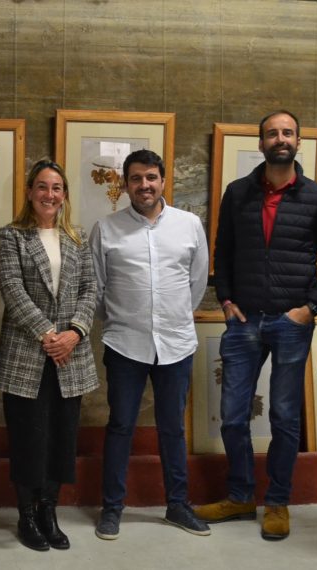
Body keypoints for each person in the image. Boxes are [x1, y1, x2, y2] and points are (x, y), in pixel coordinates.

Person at [198, 110, 317, 540]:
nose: (280, 138)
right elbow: (222, 252)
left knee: (283, 416)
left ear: (299, 142)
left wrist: (310, 308)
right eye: (272, 133)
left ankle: (277, 501)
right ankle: (241, 497)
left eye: (288, 132)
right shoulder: (238, 192)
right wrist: (225, 299)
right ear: (260, 143)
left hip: (290, 322)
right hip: (243, 321)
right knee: (233, 416)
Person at [90, 149, 211, 541]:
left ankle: (178, 505)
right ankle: (112, 509)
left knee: (172, 428)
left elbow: (196, 284)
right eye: (136, 178)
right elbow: (97, 288)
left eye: (152, 177)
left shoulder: (190, 225)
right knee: (121, 426)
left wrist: (171, 318)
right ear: (125, 185)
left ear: (163, 181)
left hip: (175, 344)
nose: (145, 185)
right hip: (125, 343)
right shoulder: (106, 229)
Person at [0, 160, 98, 551]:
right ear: (30, 193)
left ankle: (49, 510)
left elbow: (90, 289)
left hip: (71, 355)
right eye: (42, 187)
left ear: (64, 194)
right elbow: (12, 288)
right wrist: (48, 334)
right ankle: (26, 514)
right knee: (27, 438)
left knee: (60, 438)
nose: (49, 195)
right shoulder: (12, 236)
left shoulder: (78, 237)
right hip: (27, 353)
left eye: (56, 188)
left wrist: (74, 333)